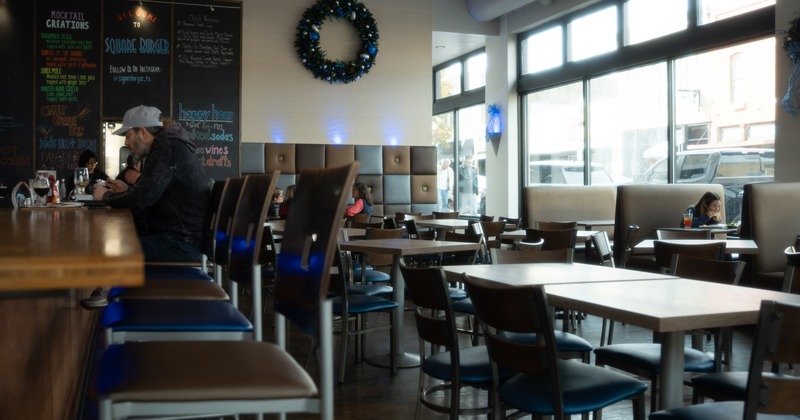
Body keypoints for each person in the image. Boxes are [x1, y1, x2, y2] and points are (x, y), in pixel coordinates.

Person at [82, 105, 210, 309]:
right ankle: (110, 292)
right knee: (117, 241)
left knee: (112, 248)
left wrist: (105, 196)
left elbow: (143, 198)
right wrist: (125, 189)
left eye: (128, 135)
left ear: (143, 132)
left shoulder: (168, 147)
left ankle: (117, 304)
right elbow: (151, 193)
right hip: (180, 236)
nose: (126, 142)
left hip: (181, 243)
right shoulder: (169, 146)